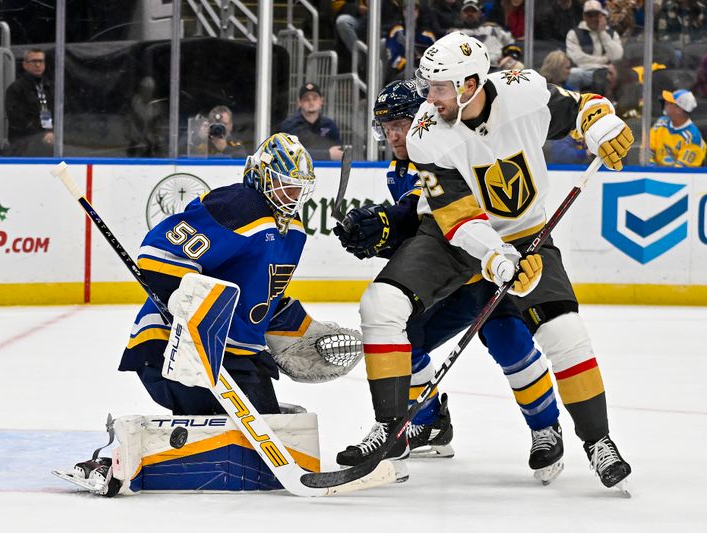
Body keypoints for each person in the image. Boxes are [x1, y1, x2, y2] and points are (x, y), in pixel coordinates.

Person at [341, 32, 634, 491]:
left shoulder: (525, 91)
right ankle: (390, 432)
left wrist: (601, 126)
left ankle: (598, 441)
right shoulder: (426, 132)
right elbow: (458, 217)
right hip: (451, 238)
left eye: (439, 87)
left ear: (471, 83)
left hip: (526, 233)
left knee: (564, 334)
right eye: (428, 86)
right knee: (381, 305)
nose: (429, 98)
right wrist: (497, 258)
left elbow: (583, 106)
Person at [334, 80, 564, 480]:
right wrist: (378, 236)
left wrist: (388, 225)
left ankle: (546, 428)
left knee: (511, 344)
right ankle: (428, 423)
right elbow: (425, 232)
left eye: (401, 123)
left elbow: (446, 215)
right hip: (454, 277)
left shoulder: (449, 147)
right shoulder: (400, 170)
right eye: (385, 127)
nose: (393, 135)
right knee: (403, 337)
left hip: (492, 265)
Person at [119, 133, 316, 415]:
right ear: (260, 175)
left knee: (269, 430)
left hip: (237, 355)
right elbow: (157, 255)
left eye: (297, 188)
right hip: (174, 346)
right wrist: (185, 304)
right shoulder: (239, 206)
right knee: (232, 436)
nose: (292, 195)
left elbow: (262, 297)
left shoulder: (294, 231)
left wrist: (302, 331)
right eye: (283, 184)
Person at [565, 0, 624, 93]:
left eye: (596, 15)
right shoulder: (573, 34)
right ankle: (575, 104)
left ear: (601, 15)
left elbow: (617, 56)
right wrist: (604, 60)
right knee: (573, 74)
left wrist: (602, 33)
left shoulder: (612, 34)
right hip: (585, 71)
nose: (593, 18)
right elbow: (576, 58)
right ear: (584, 16)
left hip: (607, 72)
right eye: (589, 15)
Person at [5, 49, 54, 156]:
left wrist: (51, 132)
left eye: (41, 61)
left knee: (61, 167)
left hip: (48, 141)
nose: (38, 65)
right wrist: (40, 134)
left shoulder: (48, 87)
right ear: (25, 65)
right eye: (34, 61)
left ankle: (63, 172)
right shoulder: (16, 89)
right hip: (24, 143)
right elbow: (16, 118)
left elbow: (54, 111)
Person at [279, 82, 344, 161]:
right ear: (299, 102)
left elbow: (338, 153)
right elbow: (290, 153)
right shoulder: (290, 125)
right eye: (306, 99)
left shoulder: (329, 125)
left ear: (321, 101)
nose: (311, 102)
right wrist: (327, 154)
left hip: (328, 171)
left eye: (315, 98)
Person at [650, 89, 707, 167]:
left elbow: (680, 172)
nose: (665, 103)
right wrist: (650, 165)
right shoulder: (661, 123)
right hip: (655, 172)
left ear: (679, 109)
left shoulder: (693, 138)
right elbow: (647, 149)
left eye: (669, 103)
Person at [453, 0, 515, 71]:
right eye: (466, 11)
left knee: (517, 66)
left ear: (480, 13)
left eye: (473, 11)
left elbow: (511, 43)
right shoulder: (455, 34)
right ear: (461, 14)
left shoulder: (492, 29)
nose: (470, 14)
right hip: (465, 71)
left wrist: (510, 56)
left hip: (494, 68)